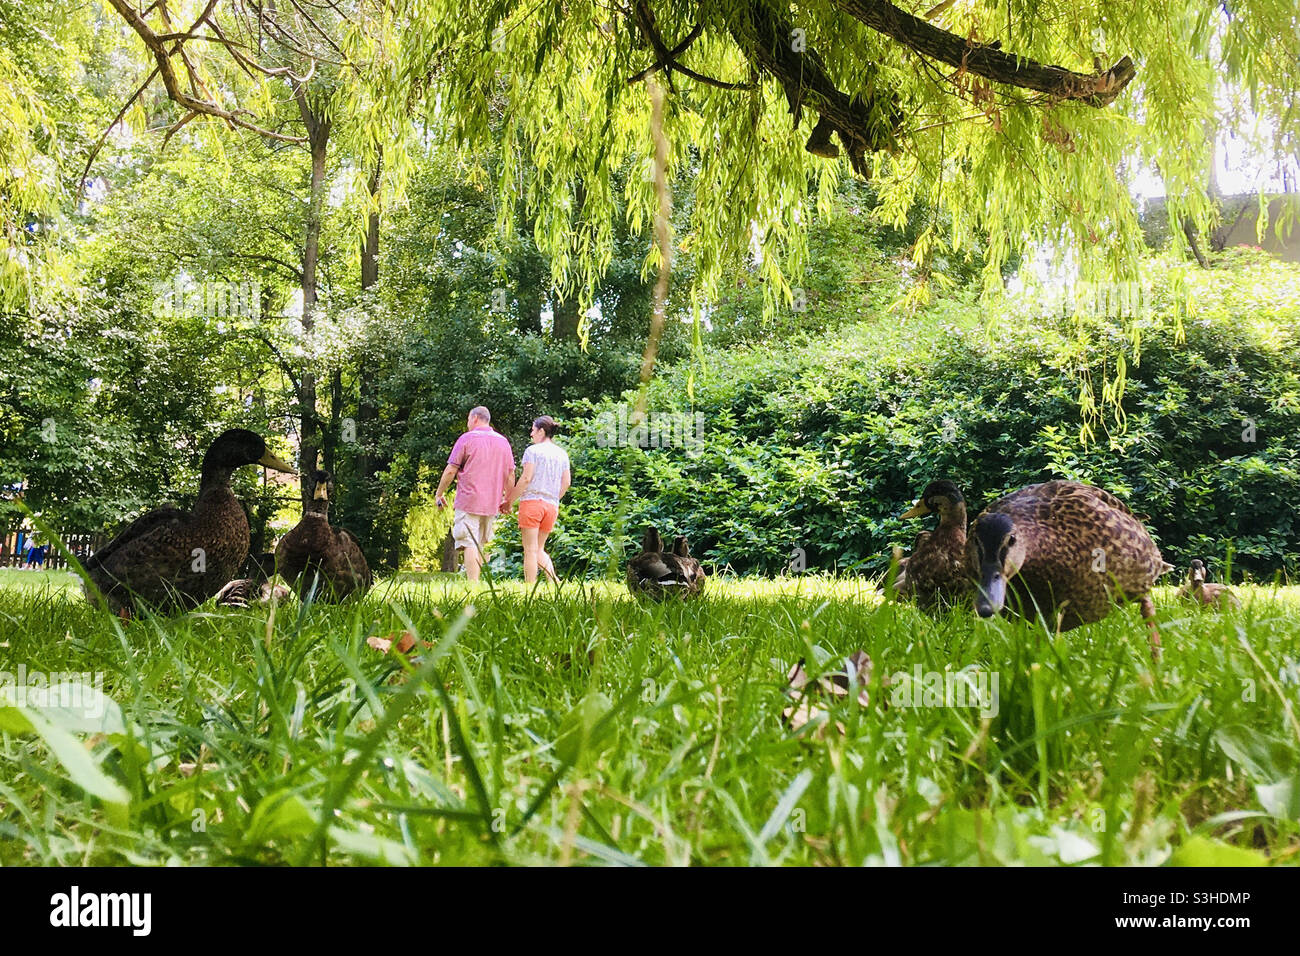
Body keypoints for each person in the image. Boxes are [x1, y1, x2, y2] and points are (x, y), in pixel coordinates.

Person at [435, 406, 516, 581]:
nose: (468, 424)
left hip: (469, 500)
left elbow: (451, 470)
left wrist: (439, 493)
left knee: (469, 542)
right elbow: (510, 475)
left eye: (468, 420)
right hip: (492, 502)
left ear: (475, 419)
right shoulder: (503, 442)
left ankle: (473, 585)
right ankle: (482, 581)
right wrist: (508, 500)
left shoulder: (466, 439)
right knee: (482, 542)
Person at [506, 416, 571, 584]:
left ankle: (530, 587)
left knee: (530, 550)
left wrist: (509, 500)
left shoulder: (532, 451)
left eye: (533, 430)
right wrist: (555, 498)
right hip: (551, 506)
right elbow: (567, 482)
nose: (531, 434)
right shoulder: (562, 454)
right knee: (539, 549)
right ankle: (554, 581)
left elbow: (526, 478)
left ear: (541, 431)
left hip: (532, 503)